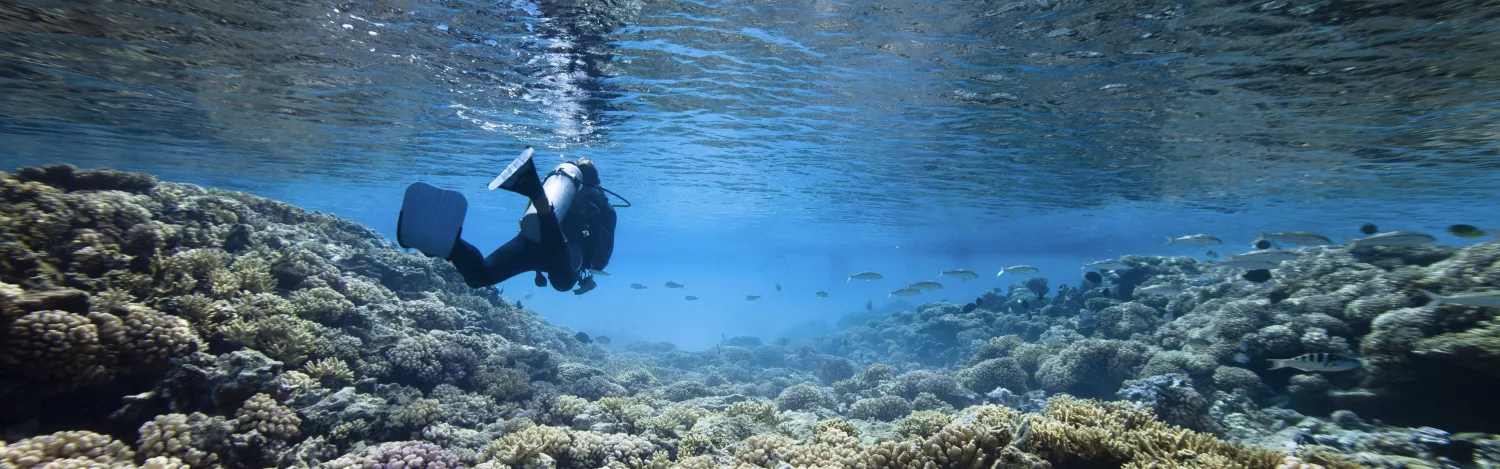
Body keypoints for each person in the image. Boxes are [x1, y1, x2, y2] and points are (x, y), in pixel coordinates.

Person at [397, 148, 618, 294]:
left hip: (530, 239)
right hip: (562, 252)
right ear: (596, 183)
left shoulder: (563, 190)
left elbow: (525, 220)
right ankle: (539, 198)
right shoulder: (603, 206)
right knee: (563, 283)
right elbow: (602, 256)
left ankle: (451, 245)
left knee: (480, 275)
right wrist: (590, 270)